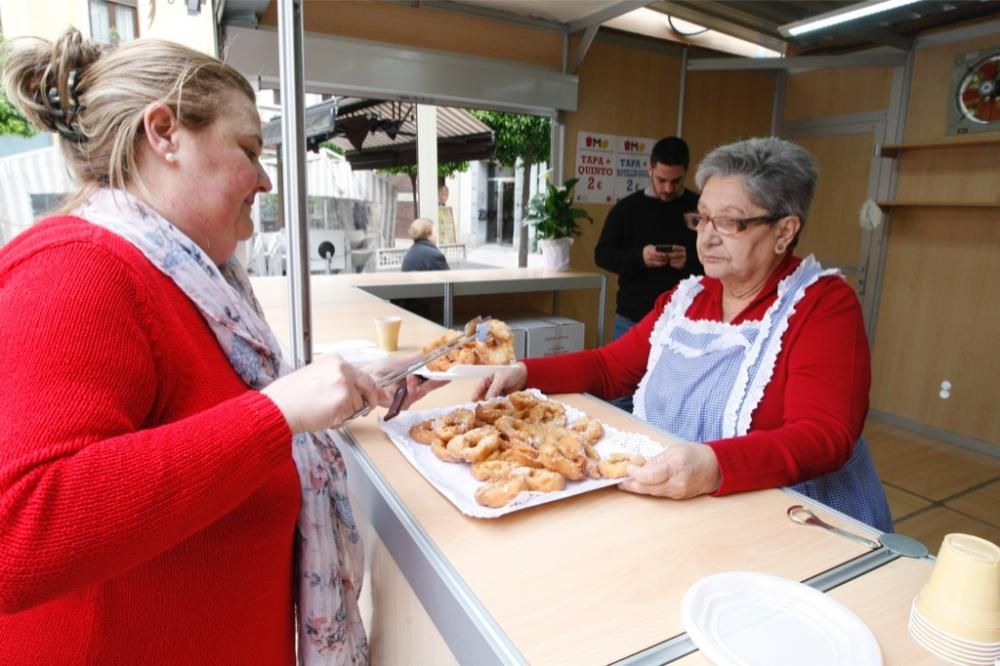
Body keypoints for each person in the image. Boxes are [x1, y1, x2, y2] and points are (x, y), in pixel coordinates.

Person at [0, 29, 429, 664]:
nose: (263, 180)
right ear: (165, 132)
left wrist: (336, 384)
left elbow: (200, 416)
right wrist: (274, 414)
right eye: (249, 149)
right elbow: (17, 535)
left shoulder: (195, 279)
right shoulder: (78, 267)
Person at [473, 137, 893, 532]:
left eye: (729, 222)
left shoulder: (822, 305)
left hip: (797, 520)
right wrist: (525, 373)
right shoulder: (688, 298)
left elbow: (824, 435)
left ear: (784, 230)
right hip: (691, 506)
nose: (706, 237)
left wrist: (713, 465)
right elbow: (609, 368)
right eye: (702, 218)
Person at [595, 136, 701, 412]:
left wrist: (689, 262)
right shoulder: (627, 209)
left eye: (676, 181)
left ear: (686, 172)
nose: (668, 188)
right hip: (632, 315)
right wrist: (639, 257)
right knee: (622, 392)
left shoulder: (700, 209)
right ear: (650, 168)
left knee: (674, 396)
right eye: (662, 179)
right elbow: (602, 254)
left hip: (684, 321)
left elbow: (719, 264)